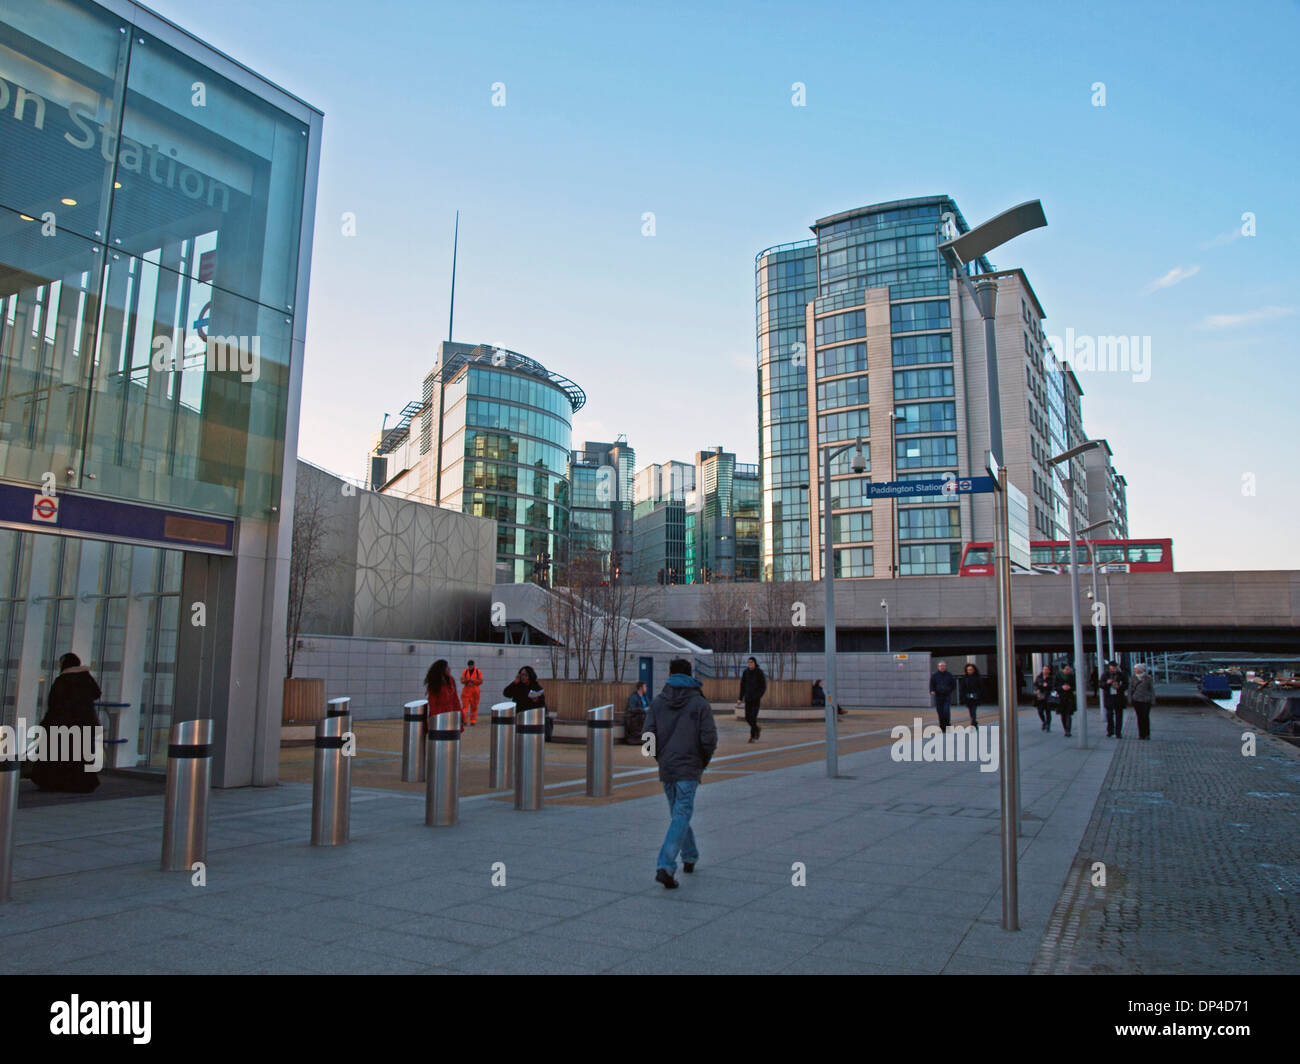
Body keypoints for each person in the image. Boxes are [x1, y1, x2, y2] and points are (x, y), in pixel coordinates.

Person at [644, 658, 717, 889]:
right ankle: (666, 865)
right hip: (689, 766)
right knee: (681, 813)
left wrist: (660, 758)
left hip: (668, 767)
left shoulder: (657, 702)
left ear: (670, 674)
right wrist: (701, 762)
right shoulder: (699, 703)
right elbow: (709, 739)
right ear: (690, 674)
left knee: (678, 812)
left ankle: (690, 855)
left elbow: (647, 736)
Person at [29, 653, 102, 793]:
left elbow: (54, 703)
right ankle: (82, 783)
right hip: (85, 723)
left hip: (62, 723)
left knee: (57, 753)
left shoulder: (62, 680)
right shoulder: (87, 678)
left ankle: (54, 782)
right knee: (81, 755)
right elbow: (97, 694)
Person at [504, 666, 551, 742]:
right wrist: (514, 683)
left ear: (530, 676)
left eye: (525, 675)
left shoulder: (536, 686)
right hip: (519, 715)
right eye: (521, 675)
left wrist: (536, 700)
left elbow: (542, 702)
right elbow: (506, 693)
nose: (523, 677)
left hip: (531, 717)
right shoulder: (517, 685)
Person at [424, 658, 461, 734]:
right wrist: (435, 718)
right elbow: (432, 702)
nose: (449, 669)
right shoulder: (435, 682)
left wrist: (460, 714)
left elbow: (455, 699)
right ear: (442, 669)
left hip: (451, 713)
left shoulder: (451, 680)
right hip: (440, 714)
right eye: (447, 667)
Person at [738, 657, 766, 743]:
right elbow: (742, 686)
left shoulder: (759, 672)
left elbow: (763, 686)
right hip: (748, 699)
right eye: (748, 662)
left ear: (755, 663)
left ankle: (752, 736)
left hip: (756, 700)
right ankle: (757, 728)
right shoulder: (745, 673)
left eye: (751, 662)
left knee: (753, 717)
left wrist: (758, 695)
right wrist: (740, 698)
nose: (750, 664)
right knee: (747, 717)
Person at [1128, 663, 1155, 740]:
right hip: (1136, 700)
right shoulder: (1133, 678)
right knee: (1139, 717)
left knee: (1145, 716)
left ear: (1140, 669)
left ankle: (1147, 734)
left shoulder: (1148, 678)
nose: (1134, 670)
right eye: (1134, 669)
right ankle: (1141, 734)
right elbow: (1130, 689)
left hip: (1146, 700)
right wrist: (1130, 699)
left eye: (1136, 669)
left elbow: (1151, 689)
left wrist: (1152, 699)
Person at [1102, 660, 1128, 738]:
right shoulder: (1105, 675)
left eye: (1114, 668)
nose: (1113, 669)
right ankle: (1110, 730)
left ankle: (1118, 732)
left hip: (1119, 697)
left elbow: (1126, 684)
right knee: (1109, 715)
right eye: (1112, 668)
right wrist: (1107, 683)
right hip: (1109, 697)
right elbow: (1101, 684)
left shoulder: (1121, 674)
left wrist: (1119, 687)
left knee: (1119, 715)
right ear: (1109, 668)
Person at [929, 660, 956, 732]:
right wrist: (932, 691)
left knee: (946, 711)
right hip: (938, 696)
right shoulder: (934, 675)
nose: (942, 667)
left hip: (947, 695)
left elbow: (953, 684)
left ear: (945, 667)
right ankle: (942, 726)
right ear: (938, 667)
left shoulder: (949, 675)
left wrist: (949, 690)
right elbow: (932, 684)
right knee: (940, 712)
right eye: (941, 666)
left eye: (943, 666)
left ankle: (948, 725)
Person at [1033, 665, 1057, 732]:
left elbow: (1054, 687)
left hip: (1048, 695)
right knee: (1040, 711)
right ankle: (1044, 721)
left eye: (1046, 669)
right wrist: (1037, 689)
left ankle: (1048, 725)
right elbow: (1035, 684)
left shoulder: (1051, 678)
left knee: (1048, 711)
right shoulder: (1039, 677)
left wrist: (1048, 686)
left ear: (1049, 671)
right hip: (1040, 695)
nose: (1045, 671)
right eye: (1044, 669)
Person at [624, 681, 649, 745]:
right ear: (641, 688)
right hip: (637, 718)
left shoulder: (645, 697)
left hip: (645, 717)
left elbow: (650, 706)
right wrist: (643, 710)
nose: (646, 688)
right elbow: (631, 709)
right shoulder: (634, 697)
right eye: (645, 687)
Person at [459, 660, 483, 727]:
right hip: (466, 691)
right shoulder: (465, 671)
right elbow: (462, 680)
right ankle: (465, 721)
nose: (470, 667)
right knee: (465, 707)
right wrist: (467, 680)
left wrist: (473, 680)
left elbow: (480, 681)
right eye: (469, 666)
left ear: (473, 665)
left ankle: (473, 721)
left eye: (471, 665)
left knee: (474, 707)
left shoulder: (478, 672)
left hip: (475, 691)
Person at [1057, 664, 1078, 737]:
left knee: (1068, 714)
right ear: (1062, 669)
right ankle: (1065, 728)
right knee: (1063, 715)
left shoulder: (1071, 676)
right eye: (1066, 669)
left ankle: (1068, 730)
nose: (1068, 670)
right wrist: (1062, 687)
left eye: (1068, 669)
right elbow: (1055, 686)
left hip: (1069, 697)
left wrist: (1070, 687)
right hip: (1061, 697)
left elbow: (1075, 686)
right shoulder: (1058, 676)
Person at [958, 663, 981, 728]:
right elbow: (962, 688)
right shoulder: (965, 678)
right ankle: (974, 721)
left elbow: (981, 687)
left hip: (975, 697)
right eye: (968, 670)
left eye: (971, 670)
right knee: (970, 711)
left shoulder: (977, 677)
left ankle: (973, 723)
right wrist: (963, 696)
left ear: (974, 670)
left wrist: (978, 694)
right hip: (967, 697)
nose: (970, 671)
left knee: (973, 710)